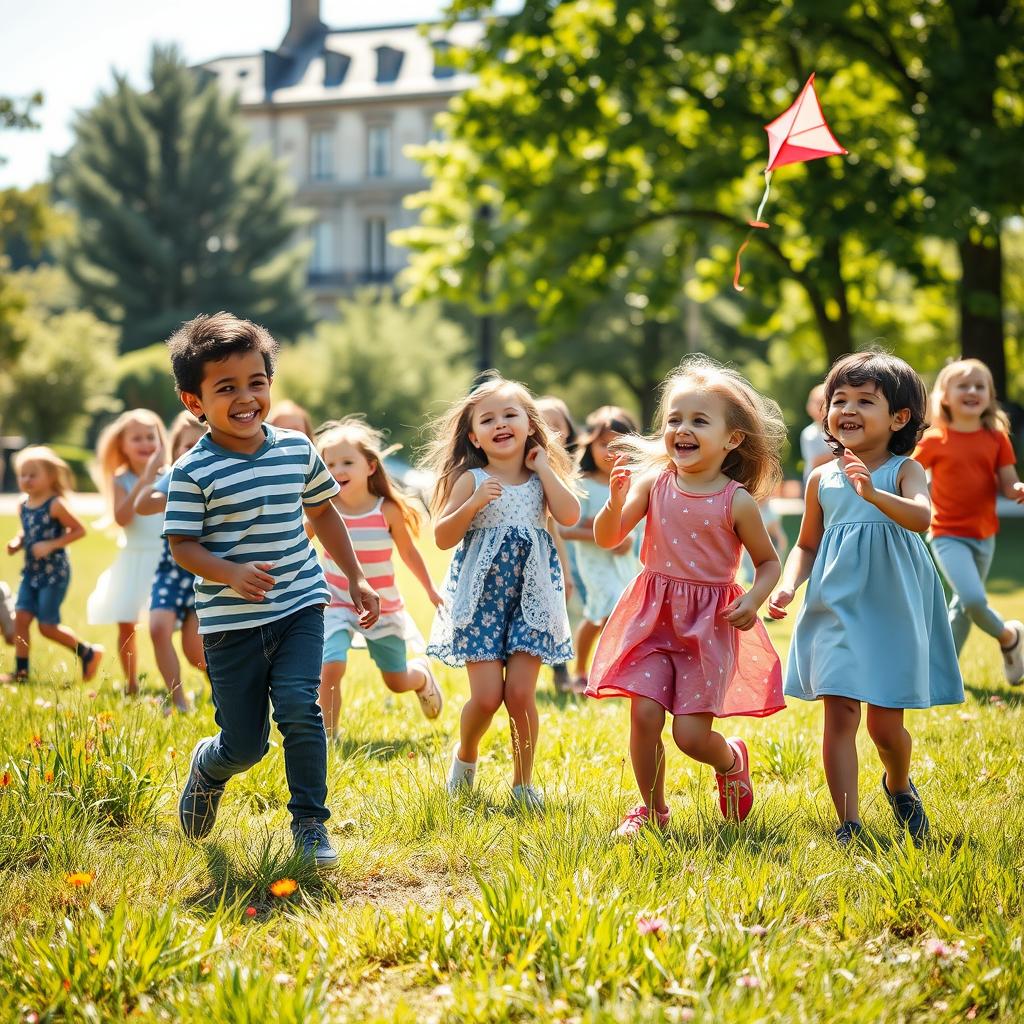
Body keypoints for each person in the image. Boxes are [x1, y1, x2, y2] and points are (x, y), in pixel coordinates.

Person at [162, 312, 380, 867]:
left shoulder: (295, 449)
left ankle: (310, 825)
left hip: (301, 605)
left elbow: (324, 512)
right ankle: (210, 767)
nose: (245, 397)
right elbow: (182, 546)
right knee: (245, 745)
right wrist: (228, 572)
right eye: (226, 387)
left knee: (299, 708)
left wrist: (355, 576)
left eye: (256, 382)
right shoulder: (192, 471)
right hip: (230, 624)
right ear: (195, 402)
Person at [770, 351, 964, 848]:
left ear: (899, 418)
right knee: (840, 713)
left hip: (892, 608)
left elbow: (923, 519)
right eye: (839, 400)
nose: (847, 409)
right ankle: (848, 823)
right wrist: (790, 585)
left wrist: (874, 495)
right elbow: (806, 544)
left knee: (884, 725)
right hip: (834, 605)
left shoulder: (904, 471)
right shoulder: (821, 478)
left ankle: (897, 782)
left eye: (864, 400)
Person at [587, 356, 786, 835]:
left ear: (731, 439)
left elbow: (769, 563)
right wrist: (614, 505)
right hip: (652, 618)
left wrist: (755, 598)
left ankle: (730, 757)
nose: (682, 428)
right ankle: (652, 811)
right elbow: (609, 538)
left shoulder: (735, 500)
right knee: (645, 713)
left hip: (707, 627)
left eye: (699, 420)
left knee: (691, 736)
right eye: (674, 419)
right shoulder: (654, 485)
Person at [424, 374, 580, 810]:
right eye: (488, 419)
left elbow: (569, 515)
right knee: (488, 697)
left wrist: (545, 467)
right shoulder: (470, 480)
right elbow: (442, 536)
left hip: (532, 599)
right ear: (474, 435)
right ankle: (466, 756)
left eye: (510, 414)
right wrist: (472, 505)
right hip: (482, 603)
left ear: (530, 425)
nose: (500, 424)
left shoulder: (538, 480)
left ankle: (523, 784)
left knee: (520, 695)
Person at [313, 417, 444, 737]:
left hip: (382, 606)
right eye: (329, 464)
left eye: (347, 462)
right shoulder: (323, 509)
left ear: (370, 467)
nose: (337, 470)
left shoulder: (386, 510)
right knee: (330, 666)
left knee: (396, 680)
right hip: (337, 602)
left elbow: (410, 553)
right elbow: (297, 541)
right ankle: (328, 737)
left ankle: (421, 678)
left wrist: (430, 589)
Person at [913, 358, 1024, 684]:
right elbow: (907, 473)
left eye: (980, 386)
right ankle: (1009, 636)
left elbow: (1008, 482)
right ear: (945, 395)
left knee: (962, 606)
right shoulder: (935, 439)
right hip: (946, 533)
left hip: (984, 534)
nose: (972, 391)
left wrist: (1018, 488)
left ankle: (940, 675)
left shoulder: (996, 438)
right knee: (974, 599)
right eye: (964, 386)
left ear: (990, 396)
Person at [2, 446, 103, 683]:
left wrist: (51, 545)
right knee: (22, 618)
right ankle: (21, 672)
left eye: (32, 474)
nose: (26, 479)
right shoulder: (22, 504)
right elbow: (27, 530)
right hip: (31, 572)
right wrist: (18, 541)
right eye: (22, 474)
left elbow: (79, 530)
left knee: (47, 626)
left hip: (54, 573)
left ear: (50, 477)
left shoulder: (55, 504)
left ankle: (88, 652)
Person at [559, 406, 640, 693]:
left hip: (625, 562)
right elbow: (565, 528)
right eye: (604, 444)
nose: (611, 452)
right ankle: (582, 668)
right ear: (589, 444)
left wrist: (627, 539)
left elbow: (640, 523)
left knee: (621, 613)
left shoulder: (634, 483)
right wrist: (598, 534)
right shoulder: (583, 486)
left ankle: (616, 672)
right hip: (594, 564)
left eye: (620, 446)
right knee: (602, 611)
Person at [86, 409, 168, 695]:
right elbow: (122, 518)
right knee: (126, 623)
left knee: (172, 625)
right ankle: (131, 683)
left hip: (164, 559)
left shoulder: (168, 476)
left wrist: (153, 476)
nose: (145, 443)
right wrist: (144, 480)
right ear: (122, 445)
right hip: (133, 559)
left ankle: (178, 679)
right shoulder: (121, 480)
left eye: (150, 437)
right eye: (137, 438)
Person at [134, 411, 208, 713]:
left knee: (196, 652)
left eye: (200, 444)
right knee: (157, 628)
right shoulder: (174, 475)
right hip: (171, 569)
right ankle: (178, 701)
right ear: (175, 451)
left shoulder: (216, 474)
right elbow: (143, 505)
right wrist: (173, 488)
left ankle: (222, 688)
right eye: (186, 446)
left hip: (204, 572)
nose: (193, 452)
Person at [536, 395, 583, 693]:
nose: (552, 429)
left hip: (563, 553)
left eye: (558, 423)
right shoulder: (532, 468)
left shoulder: (567, 469)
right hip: (537, 552)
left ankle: (561, 671)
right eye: (545, 423)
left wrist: (565, 570)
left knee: (558, 613)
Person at [800, 384, 831, 491]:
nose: (822, 407)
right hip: (816, 484)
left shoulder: (837, 429)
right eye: (818, 403)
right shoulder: (810, 434)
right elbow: (815, 462)